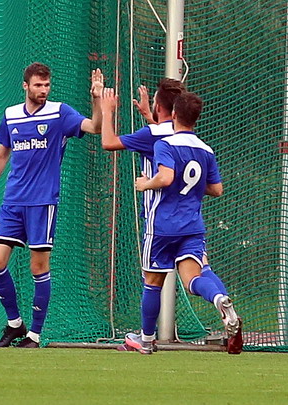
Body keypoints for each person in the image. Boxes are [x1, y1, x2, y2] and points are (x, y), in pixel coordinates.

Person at [101, 80, 240, 354]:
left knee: (152, 282)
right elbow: (216, 189)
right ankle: (219, 299)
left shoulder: (161, 142)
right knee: (193, 279)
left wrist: (146, 183)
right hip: (192, 226)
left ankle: (146, 340)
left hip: (162, 224)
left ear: (172, 111)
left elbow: (164, 176)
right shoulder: (205, 148)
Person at [0, 62, 104, 348]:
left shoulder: (60, 113)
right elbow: (2, 154)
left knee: (38, 268)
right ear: (26, 86)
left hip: (42, 202)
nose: (43, 90)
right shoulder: (11, 115)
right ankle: (14, 324)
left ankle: (34, 335)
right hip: (12, 201)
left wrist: (96, 99)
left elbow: (95, 127)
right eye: (38, 85)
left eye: (46, 85)